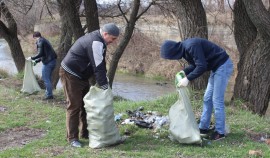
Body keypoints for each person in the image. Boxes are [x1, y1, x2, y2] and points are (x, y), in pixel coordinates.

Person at [59, 23, 120, 148]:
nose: (113, 42)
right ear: (105, 34)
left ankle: (85, 133)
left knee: (86, 104)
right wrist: (104, 86)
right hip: (70, 74)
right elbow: (97, 66)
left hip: (81, 75)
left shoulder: (100, 40)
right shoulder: (96, 42)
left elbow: (100, 63)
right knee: (74, 106)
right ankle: (72, 138)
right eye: (112, 38)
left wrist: (104, 80)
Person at [160, 37, 233, 141]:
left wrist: (188, 79)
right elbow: (195, 64)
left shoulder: (191, 46)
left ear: (173, 52)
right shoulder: (185, 50)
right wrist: (184, 72)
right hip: (215, 68)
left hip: (222, 65)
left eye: (170, 57)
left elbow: (202, 66)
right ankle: (204, 127)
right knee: (207, 98)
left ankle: (220, 132)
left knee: (217, 100)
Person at [28, 31, 57, 100]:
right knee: (48, 78)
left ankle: (49, 95)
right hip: (53, 61)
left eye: (34, 38)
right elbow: (44, 54)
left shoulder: (40, 41)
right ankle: (49, 94)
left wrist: (32, 58)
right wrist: (37, 61)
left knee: (45, 78)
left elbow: (40, 54)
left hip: (48, 63)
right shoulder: (44, 40)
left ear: (35, 37)